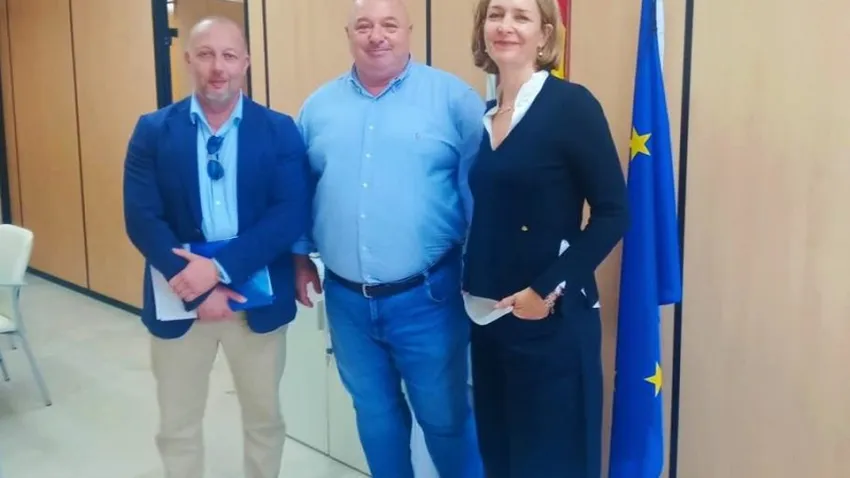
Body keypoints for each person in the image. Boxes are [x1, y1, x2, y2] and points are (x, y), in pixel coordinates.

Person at [292, 0, 486, 477]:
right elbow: (300, 190)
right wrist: (299, 256)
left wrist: (484, 272)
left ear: (408, 31)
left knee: (445, 420)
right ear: (349, 34)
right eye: (364, 25)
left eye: (389, 25)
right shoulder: (317, 108)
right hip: (347, 302)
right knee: (375, 418)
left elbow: (480, 193)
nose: (377, 36)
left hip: (430, 298)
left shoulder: (453, 100)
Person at [122, 16, 311, 478]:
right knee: (177, 427)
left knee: (265, 421)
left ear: (246, 62)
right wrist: (197, 288)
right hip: (179, 298)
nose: (218, 68)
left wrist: (219, 270)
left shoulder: (280, 129)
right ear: (188, 60)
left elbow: (289, 213)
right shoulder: (152, 131)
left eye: (229, 55)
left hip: (257, 300)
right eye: (206, 54)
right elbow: (142, 219)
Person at [461, 0, 630, 477]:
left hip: (550, 323)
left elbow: (614, 213)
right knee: (501, 460)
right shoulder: (486, 117)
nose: (505, 26)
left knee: (551, 464)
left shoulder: (571, 106)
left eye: (521, 16)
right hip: (489, 321)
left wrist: (545, 290)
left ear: (546, 34)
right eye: (496, 14)